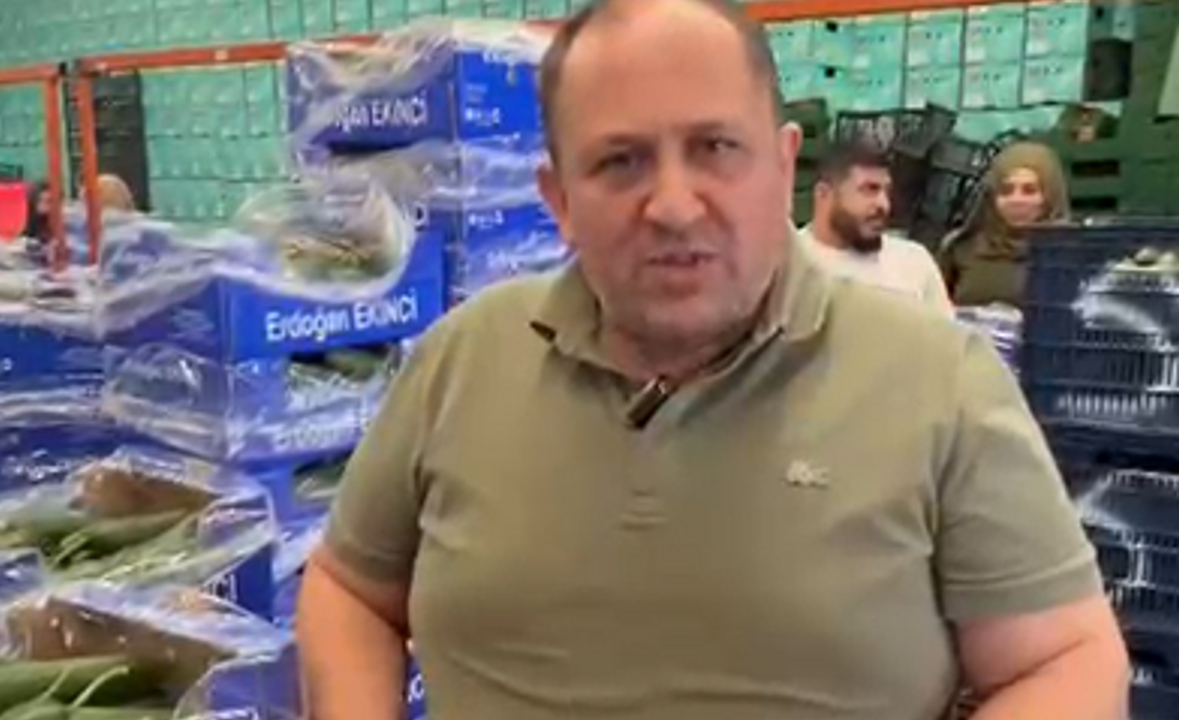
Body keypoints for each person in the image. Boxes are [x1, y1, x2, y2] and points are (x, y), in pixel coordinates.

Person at [297, 1, 1129, 719]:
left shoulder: (938, 383)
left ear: (784, 165)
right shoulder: (463, 361)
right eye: (619, 161)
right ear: (559, 200)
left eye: (716, 148)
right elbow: (349, 589)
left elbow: (1068, 658)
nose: (672, 204)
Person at [798, 140, 954, 316]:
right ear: (824, 194)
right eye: (869, 190)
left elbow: (946, 331)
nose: (883, 204)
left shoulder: (914, 262)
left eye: (887, 191)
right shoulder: (789, 265)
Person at [937, 141, 1070, 308]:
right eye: (1006, 191)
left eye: (1029, 190)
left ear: (1050, 196)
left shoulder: (1072, 254)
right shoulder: (961, 248)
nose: (1017, 200)